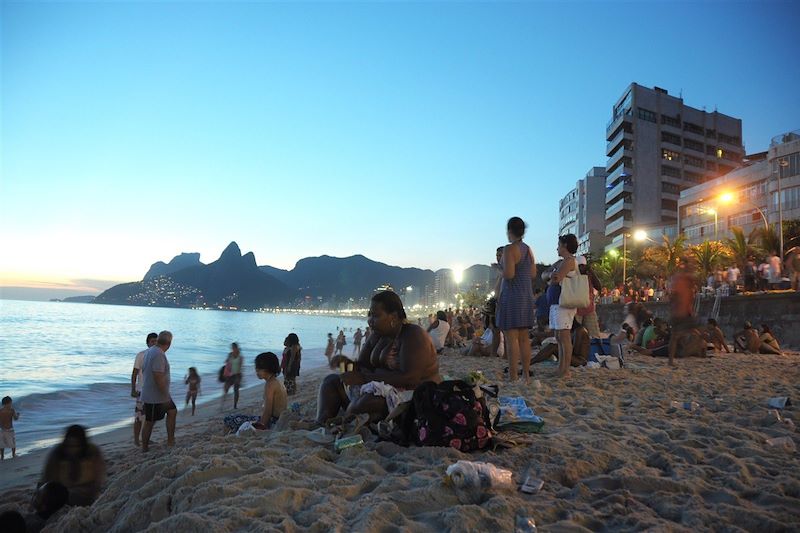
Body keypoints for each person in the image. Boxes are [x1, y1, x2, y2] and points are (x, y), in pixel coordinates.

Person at [316, 291, 441, 425]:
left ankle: (350, 417)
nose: (370, 320)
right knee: (331, 381)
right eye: (369, 315)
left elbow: (410, 377)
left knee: (366, 403)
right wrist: (347, 363)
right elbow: (362, 366)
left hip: (411, 396)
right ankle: (323, 422)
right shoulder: (377, 336)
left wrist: (365, 378)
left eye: (375, 316)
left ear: (393, 316)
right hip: (374, 389)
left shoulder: (412, 335)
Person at [496, 217, 537, 383]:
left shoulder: (509, 249)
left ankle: (513, 376)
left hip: (512, 295)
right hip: (526, 295)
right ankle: (526, 374)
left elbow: (509, 274)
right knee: (524, 338)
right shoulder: (528, 249)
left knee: (511, 338)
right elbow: (533, 273)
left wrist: (499, 267)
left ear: (509, 231)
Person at [223, 352, 288, 433]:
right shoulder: (277, 382)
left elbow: (268, 411)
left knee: (229, 419)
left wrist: (260, 426)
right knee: (240, 419)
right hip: (279, 419)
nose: (256, 371)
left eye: (258, 369)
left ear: (267, 369)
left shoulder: (270, 385)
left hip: (273, 421)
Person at [41, 425, 106, 506]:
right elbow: (47, 479)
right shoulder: (57, 454)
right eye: (69, 446)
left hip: (87, 495)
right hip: (61, 496)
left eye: (76, 446)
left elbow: (98, 479)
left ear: (83, 444)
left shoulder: (92, 452)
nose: (72, 449)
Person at [548, 234, 580, 378]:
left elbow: (556, 278)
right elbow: (549, 275)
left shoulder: (569, 261)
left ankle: (565, 370)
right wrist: (551, 274)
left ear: (565, 245)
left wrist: (552, 275)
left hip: (564, 303)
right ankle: (561, 367)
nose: (557, 248)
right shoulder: (562, 262)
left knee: (564, 336)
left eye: (559, 245)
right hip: (557, 303)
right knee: (559, 336)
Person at [140, 331, 176, 452]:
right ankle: (144, 448)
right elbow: (158, 376)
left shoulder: (151, 351)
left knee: (172, 411)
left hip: (155, 394)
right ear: (169, 344)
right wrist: (166, 394)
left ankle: (171, 441)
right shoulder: (158, 354)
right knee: (150, 422)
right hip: (155, 395)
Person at [668, 259, 705, 366]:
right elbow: (675, 296)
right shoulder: (680, 279)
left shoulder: (686, 280)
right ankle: (681, 354)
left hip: (684, 311)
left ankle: (674, 358)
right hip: (681, 312)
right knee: (697, 331)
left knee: (677, 335)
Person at [131, 332, 158, 448]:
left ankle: (146, 439)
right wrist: (133, 389)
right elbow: (134, 373)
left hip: (154, 392)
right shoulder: (141, 355)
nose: (154, 344)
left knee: (151, 418)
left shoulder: (159, 356)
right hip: (142, 391)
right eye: (152, 341)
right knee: (139, 417)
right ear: (147, 343)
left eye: (156, 342)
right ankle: (137, 440)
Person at [222, 342, 244, 410]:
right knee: (226, 389)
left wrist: (240, 378)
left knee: (236, 390)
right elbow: (226, 363)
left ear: (237, 348)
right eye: (232, 348)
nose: (233, 349)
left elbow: (240, 367)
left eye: (234, 348)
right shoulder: (230, 355)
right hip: (229, 375)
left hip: (237, 375)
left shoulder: (240, 357)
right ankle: (222, 405)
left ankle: (235, 405)